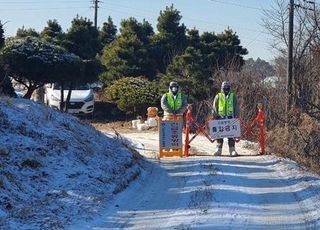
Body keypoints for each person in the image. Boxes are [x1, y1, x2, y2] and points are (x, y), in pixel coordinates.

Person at [212, 81, 240, 156]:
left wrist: (236, 116)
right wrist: (214, 115)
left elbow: (236, 106)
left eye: (227, 87)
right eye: (224, 87)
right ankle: (218, 149)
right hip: (220, 118)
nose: (226, 89)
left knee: (231, 135)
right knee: (219, 135)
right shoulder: (218, 96)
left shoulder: (233, 96)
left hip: (230, 118)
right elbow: (215, 106)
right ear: (222, 88)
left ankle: (232, 150)